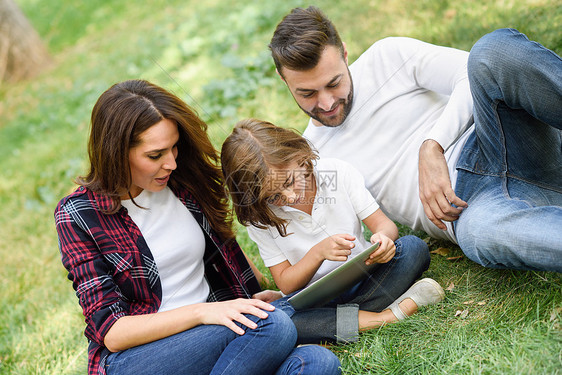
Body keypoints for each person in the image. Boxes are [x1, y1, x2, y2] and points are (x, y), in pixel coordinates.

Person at [53, 79, 341, 375]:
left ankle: (386, 314)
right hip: (141, 357)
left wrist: (259, 293)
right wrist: (203, 313)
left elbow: (228, 255)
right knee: (273, 325)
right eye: (155, 155)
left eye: (174, 148)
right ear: (116, 152)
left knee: (317, 363)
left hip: (216, 339)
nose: (171, 163)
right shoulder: (78, 214)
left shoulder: (184, 183)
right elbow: (112, 333)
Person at [268, 6, 562, 272]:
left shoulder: (387, 56)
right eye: (307, 94)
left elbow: (471, 72)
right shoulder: (313, 155)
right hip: (473, 207)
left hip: (501, 137)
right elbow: (313, 236)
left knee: (493, 52)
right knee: (478, 235)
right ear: (285, 80)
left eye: (334, 83)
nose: (327, 102)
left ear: (345, 54)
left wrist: (433, 145)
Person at [221, 118, 444, 344]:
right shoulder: (261, 217)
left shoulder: (336, 172)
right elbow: (287, 284)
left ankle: (341, 321)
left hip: (365, 275)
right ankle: (386, 316)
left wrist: (383, 240)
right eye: (273, 196)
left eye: (289, 181)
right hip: (316, 299)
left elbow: (385, 226)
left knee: (413, 248)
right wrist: (317, 253)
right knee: (274, 317)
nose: (289, 197)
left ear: (298, 156)